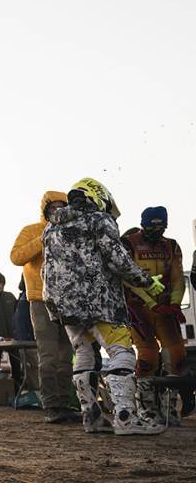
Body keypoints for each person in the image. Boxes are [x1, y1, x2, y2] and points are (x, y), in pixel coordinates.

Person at [42, 178, 165, 435]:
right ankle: (125, 417)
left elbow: (48, 270)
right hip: (100, 302)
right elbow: (118, 259)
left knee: (84, 355)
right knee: (122, 353)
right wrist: (145, 281)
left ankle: (92, 417)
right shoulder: (99, 220)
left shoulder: (51, 228)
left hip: (65, 306)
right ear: (97, 197)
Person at [11, 191, 77, 423]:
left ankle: (65, 403)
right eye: (53, 206)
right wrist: (45, 237)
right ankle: (51, 405)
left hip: (67, 301)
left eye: (62, 206)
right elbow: (16, 257)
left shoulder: (71, 231)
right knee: (48, 355)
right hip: (40, 300)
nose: (57, 210)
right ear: (45, 208)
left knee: (66, 356)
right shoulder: (31, 230)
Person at [121, 206, 187, 425]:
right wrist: (149, 302)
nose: (157, 231)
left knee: (176, 355)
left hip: (166, 308)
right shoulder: (129, 243)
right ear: (143, 224)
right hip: (138, 308)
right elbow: (127, 278)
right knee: (148, 356)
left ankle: (169, 408)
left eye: (161, 226)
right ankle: (146, 408)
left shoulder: (172, 246)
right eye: (152, 226)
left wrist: (176, 303)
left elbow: (178, 277)